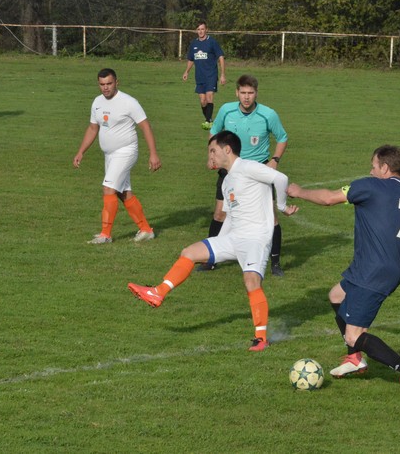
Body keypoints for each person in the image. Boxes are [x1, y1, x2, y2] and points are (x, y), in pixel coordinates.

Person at [128, 130, 298, 351]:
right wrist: (216, 245)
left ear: (227, 149)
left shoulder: (248, 167)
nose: (210, 156)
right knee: (190, 252)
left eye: (213, 151)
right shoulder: (227, 181)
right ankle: (158, 293)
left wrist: (282, 206)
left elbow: (280, 178)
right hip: (234, 237)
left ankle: (261, 338)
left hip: (256, 239)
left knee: (251, 282)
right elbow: (230, 216)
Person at [286, 145, 400, 397]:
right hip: (379, 269)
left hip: (371, 272)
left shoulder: (371, 186)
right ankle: (354, 358)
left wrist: (298, 192)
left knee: (353, 334)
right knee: (336, 296)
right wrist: (390, 258)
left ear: (385, 168)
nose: (371, 171)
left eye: (374, 166)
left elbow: (329, 198)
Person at [202, 74, 288, 277]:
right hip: (229, 171)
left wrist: (275, 160)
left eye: (250, 93)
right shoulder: (226, 110)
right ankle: (210, 260)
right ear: (237, 93)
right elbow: (214, 133)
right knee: (220, 214)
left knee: (271, 217)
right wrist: (211, 156)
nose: (246, 97)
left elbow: (282, 137)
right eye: (243, 93)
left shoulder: (268, 114)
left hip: (257, 173)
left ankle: (275, 263)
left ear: (256, 93)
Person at [73, 68, 161, 244]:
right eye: (102, 84)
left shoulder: (129, 102)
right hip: (109, 155)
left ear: (116, 83)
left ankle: (105, 235)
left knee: (108, 188)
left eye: (109, 83)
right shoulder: (97, 102)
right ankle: (146, 230)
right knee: (123, 193)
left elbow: (145, 126)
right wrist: (81, 151)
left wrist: (153, 154)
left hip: (126, 151)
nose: (105, 87)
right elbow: (93, 128)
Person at [182, 21, 226, 129]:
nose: (200, 31)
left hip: (211, 75)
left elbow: (220, 57)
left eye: (202, 29)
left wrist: (222, 74)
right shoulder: (194, 44)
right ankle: (209, 119)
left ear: (206, 30)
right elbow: (191, 59)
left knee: (209, 97)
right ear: (196, 31)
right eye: (199, 29)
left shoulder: (212, 42)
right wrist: (186, 71)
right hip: (199, 76)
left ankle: (208, 121)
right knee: (203, 101)